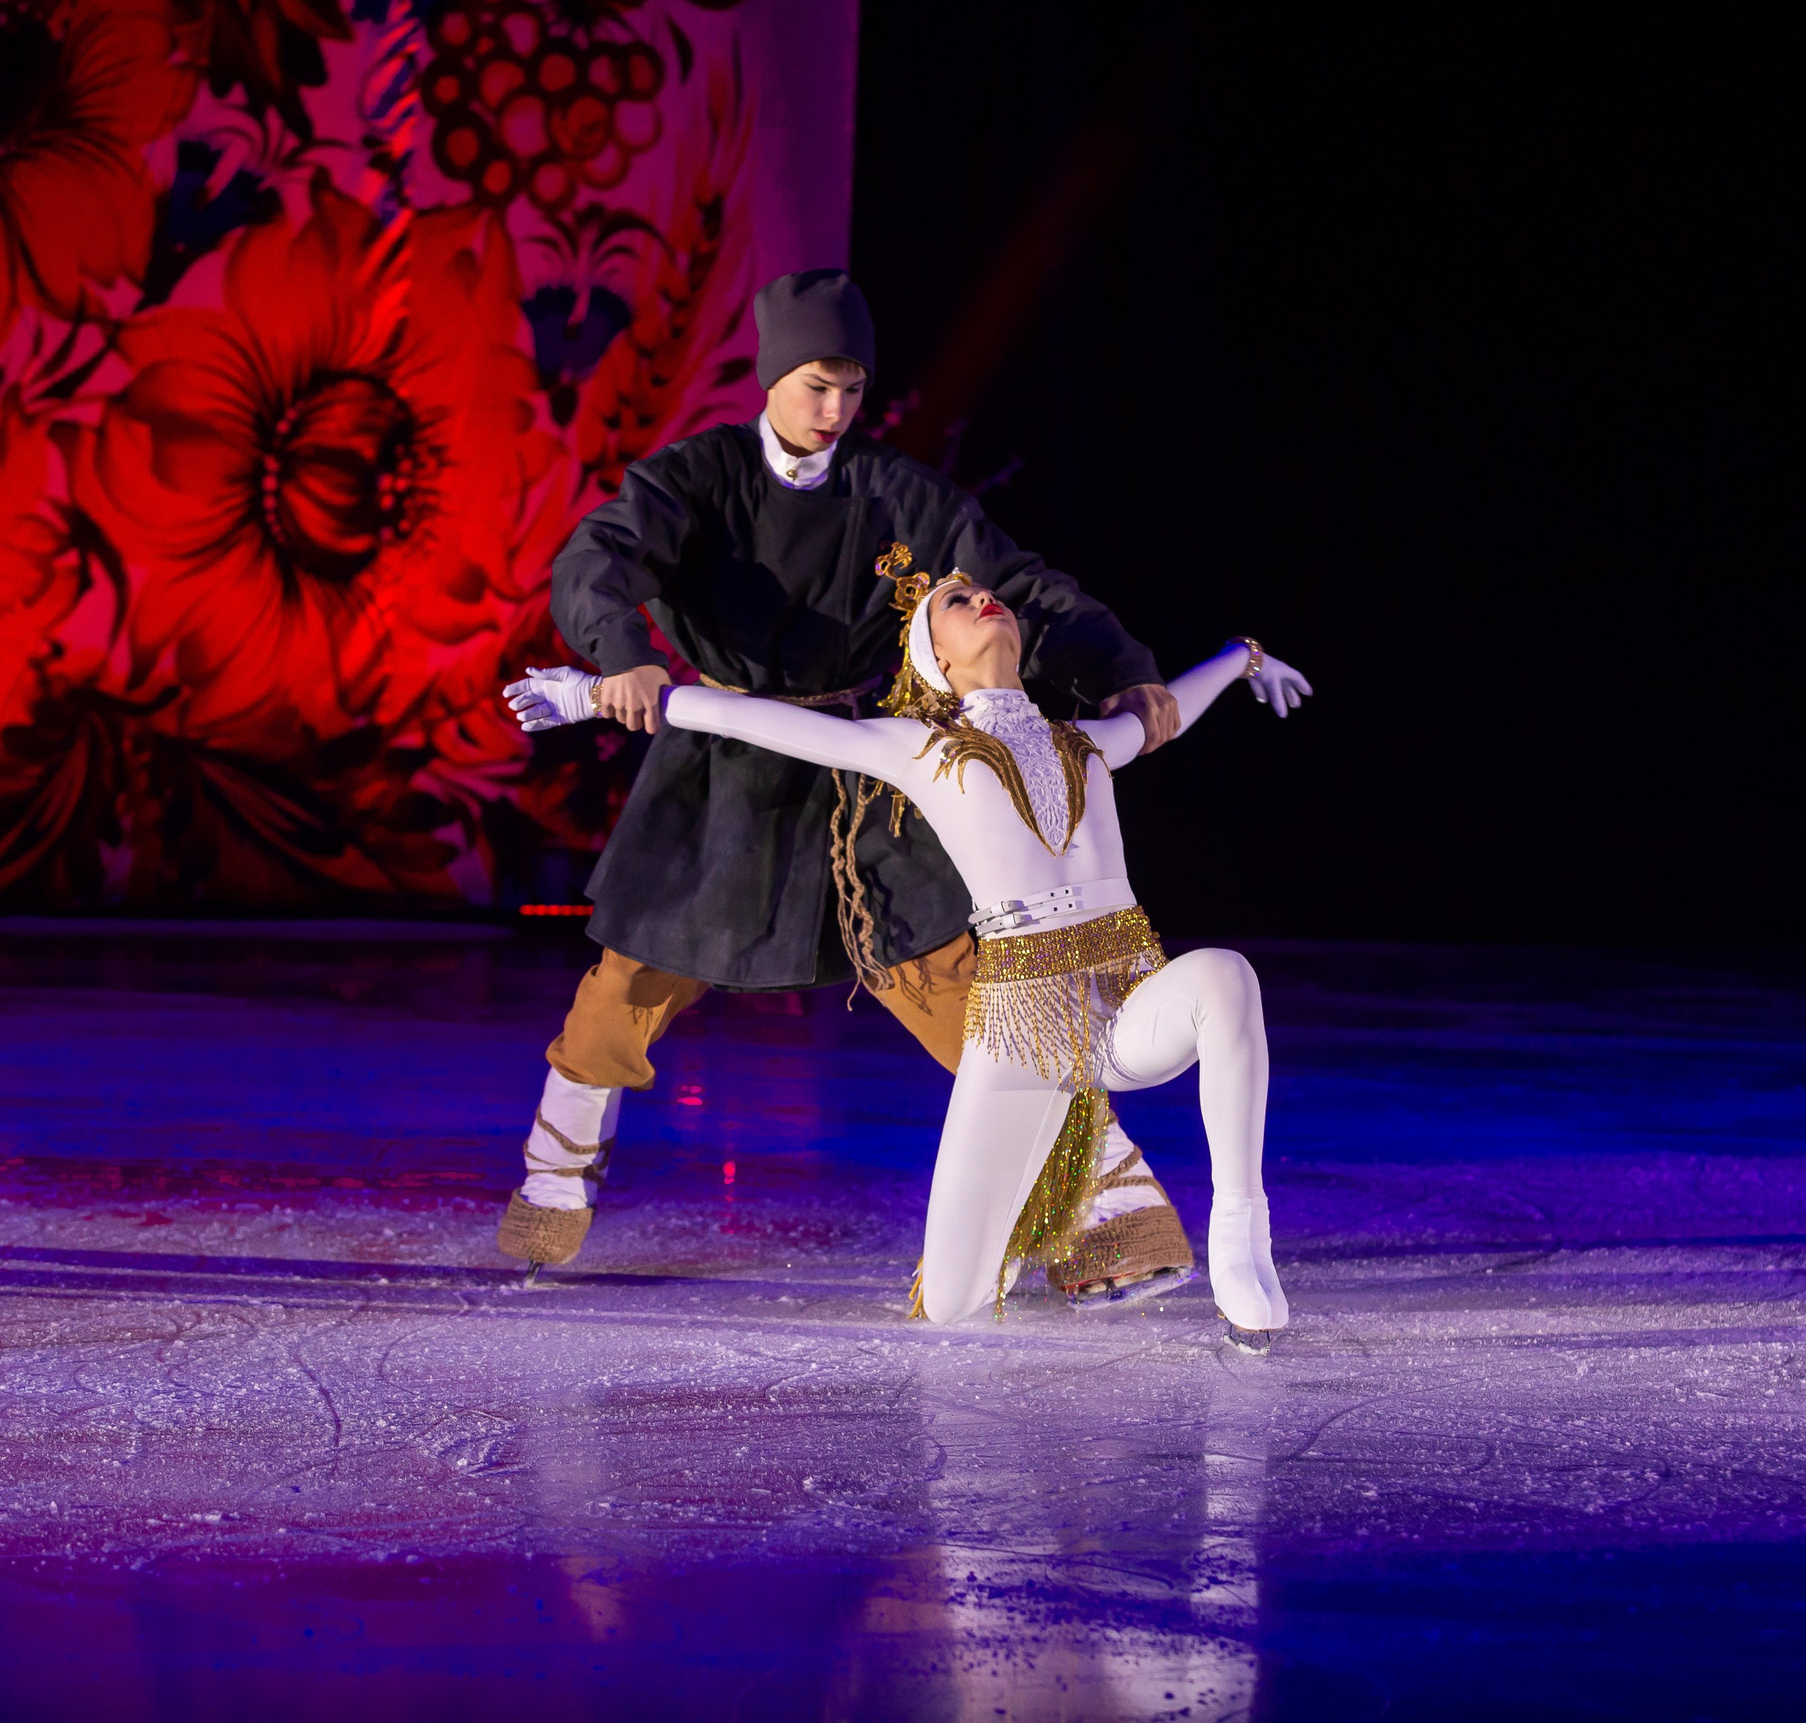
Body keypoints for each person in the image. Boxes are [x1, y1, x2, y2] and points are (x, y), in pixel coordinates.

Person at [496, 271, 1197, 1298]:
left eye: (852, 392)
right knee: (630, 981)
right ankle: (555, 1177)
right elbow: (597, 557)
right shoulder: (699, 476)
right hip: (721, 768)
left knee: (957, 978)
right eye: (817, 386)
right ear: (773, 374)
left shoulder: (897, 495)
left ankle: (1110, 1211)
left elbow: (1023, 589)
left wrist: (1121, 665)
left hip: (864, 769)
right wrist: (620, 653)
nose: (834, 412)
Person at [507, 546, 1313, 1345]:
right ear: (934, 660)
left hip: (1128, 1007)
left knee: (1223, 976)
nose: (985, 599)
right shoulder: (917, 748)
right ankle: (1021, 1226)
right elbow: (743, 717)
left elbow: (1168, 706)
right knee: (954, 1305)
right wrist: (586, 694)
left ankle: (1241, 1233)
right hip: (1023, 1036)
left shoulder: (1087, 742)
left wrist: (1243, 660)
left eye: (987, 593)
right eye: (958, 605)